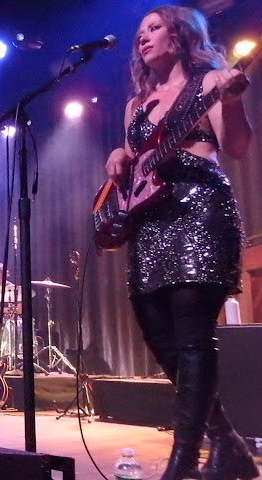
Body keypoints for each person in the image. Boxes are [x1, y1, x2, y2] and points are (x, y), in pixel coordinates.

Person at [105, 6, 258, 480]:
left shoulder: (211, 82)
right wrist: (117, 156)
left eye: (153, 28)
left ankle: (183, 462)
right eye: (139, 33)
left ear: (180, 34)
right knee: (160, 338)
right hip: (149, 224)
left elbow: (235, 146)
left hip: (200, 209)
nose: (143, 38)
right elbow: (135, 162)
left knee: (193, 339)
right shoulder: (136, 106)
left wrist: (231, 102)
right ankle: (228, 443)